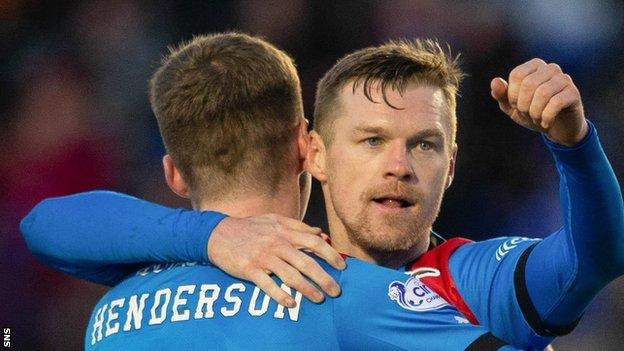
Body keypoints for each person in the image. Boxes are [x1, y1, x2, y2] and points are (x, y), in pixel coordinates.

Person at [22, 35, 623, 350]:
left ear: (453, 164)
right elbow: (43, 225)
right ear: (314, 153)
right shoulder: (302, 289)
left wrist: (573, 144)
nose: (399, 167)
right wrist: (215, 235)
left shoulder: (471, 279)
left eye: (425, 144)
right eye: (370, 141)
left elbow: (595, 259)